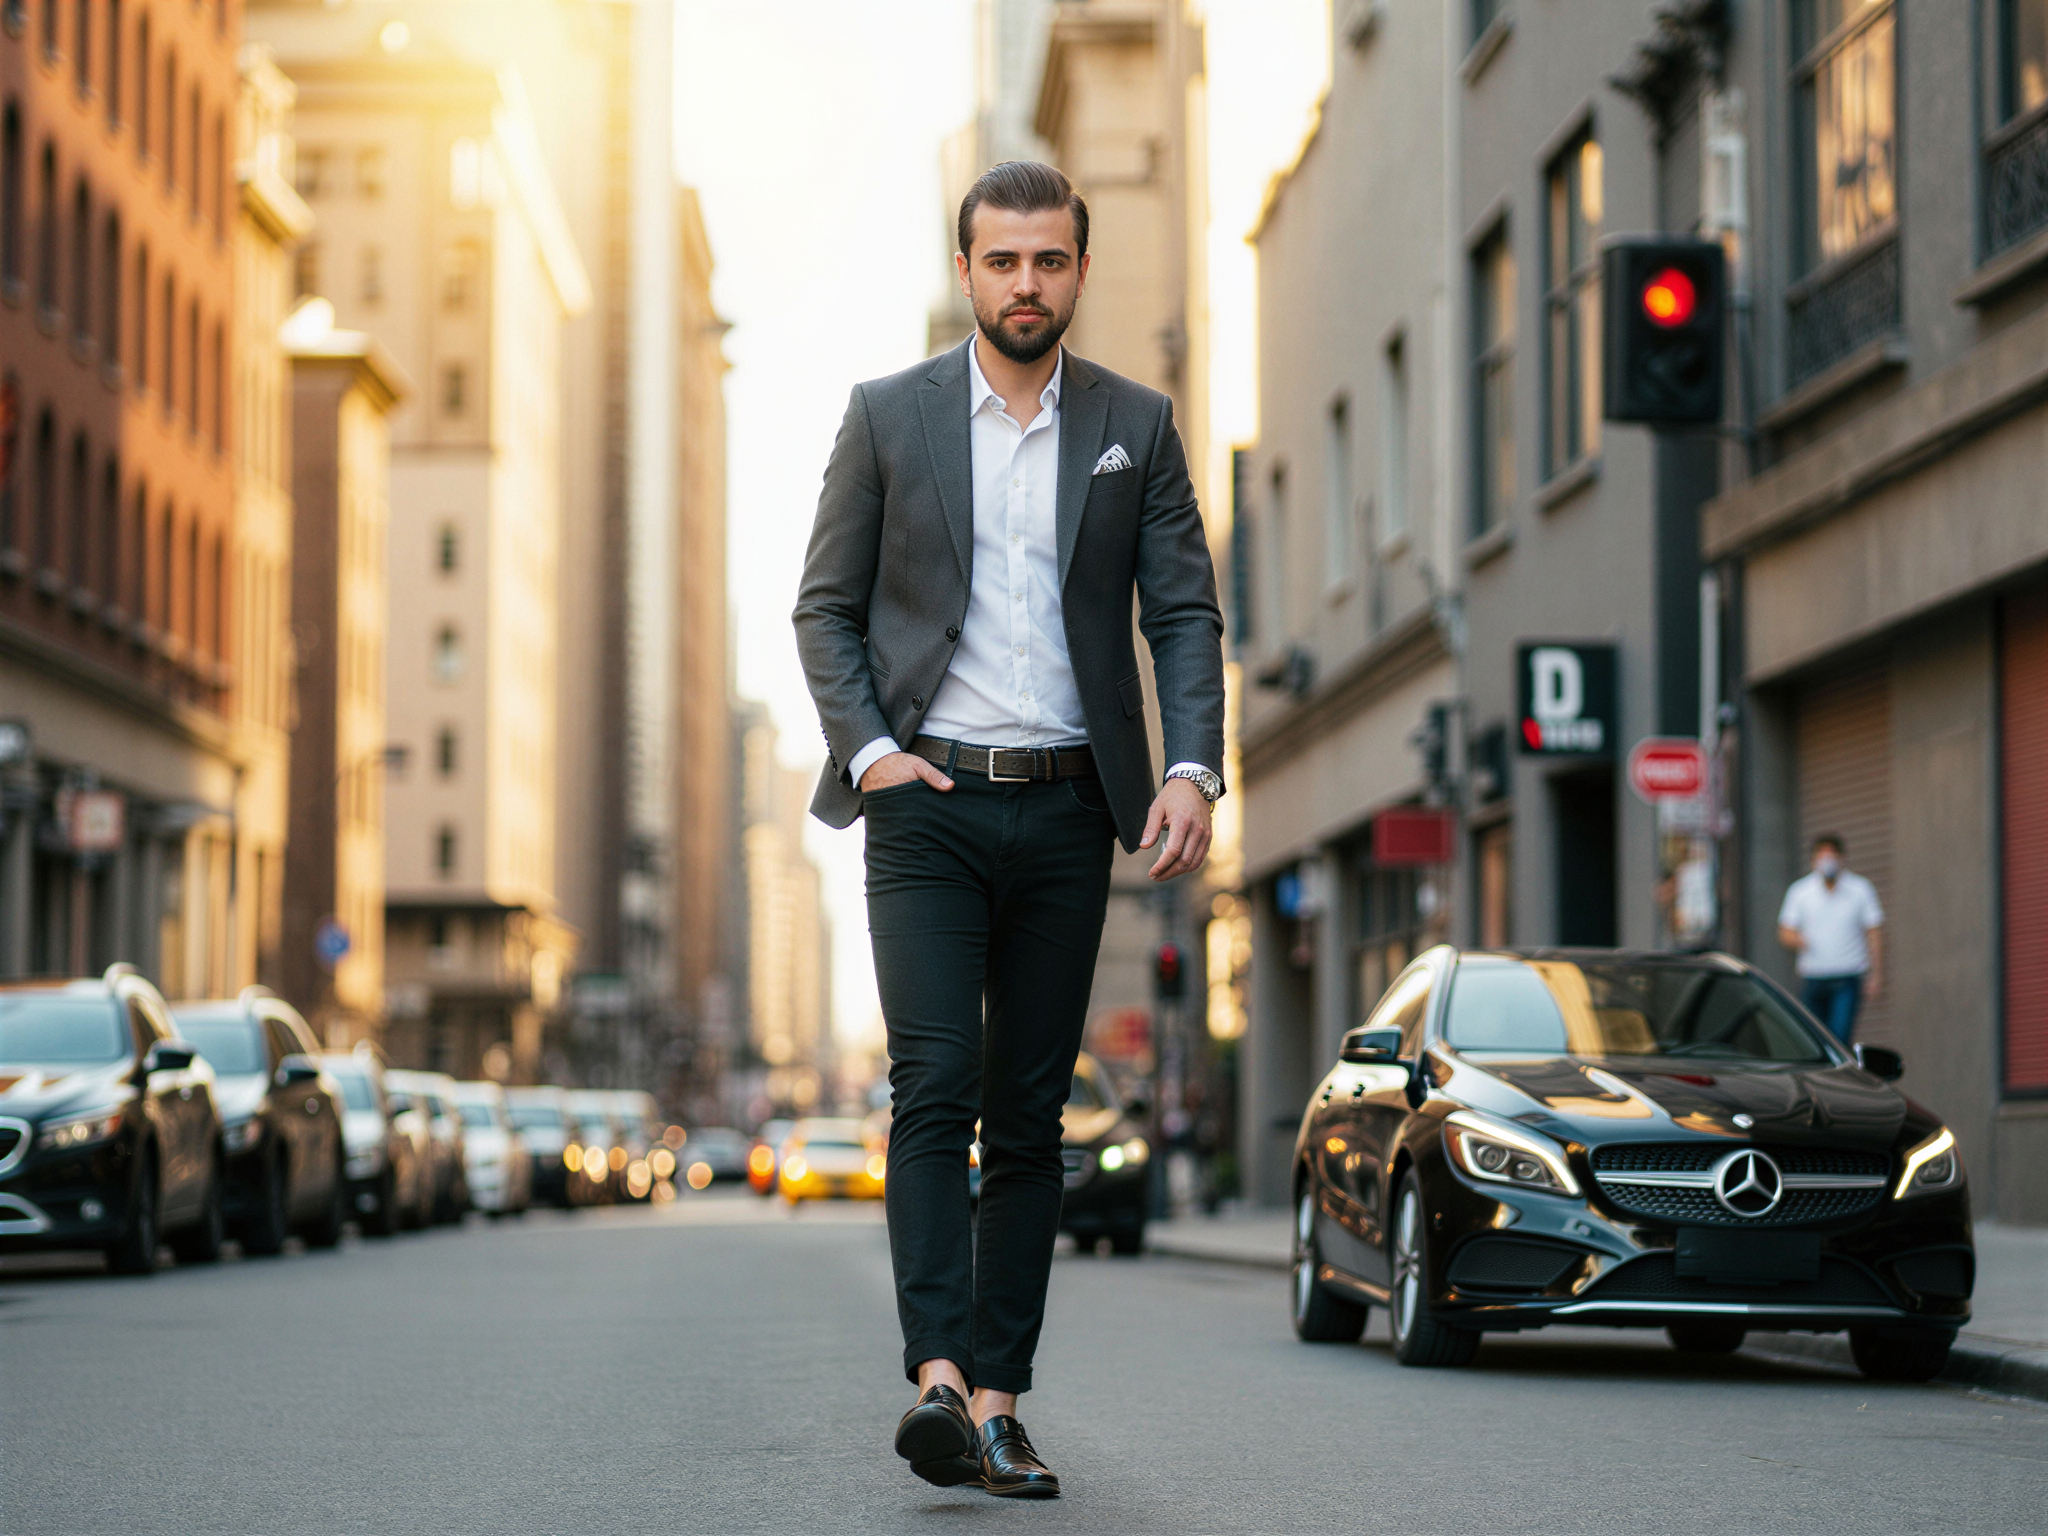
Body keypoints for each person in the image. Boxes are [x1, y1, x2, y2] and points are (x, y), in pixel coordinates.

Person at [793, 161, 1225, 1500]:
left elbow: (1184, 613)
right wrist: (871, 757)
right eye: (1002, 262)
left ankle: (997, 1401)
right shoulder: (888, 418)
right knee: (936, 1086)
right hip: (922, 802)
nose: (1026, 283)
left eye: (1049, 261)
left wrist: (1193, 769)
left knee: (1029, 1119)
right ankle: (934, 1376)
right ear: (967, 270)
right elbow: (827, 608)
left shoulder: (1135, 427)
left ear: (1079, 271)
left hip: (1064, 806)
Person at [1777, 833, 1886, 1044]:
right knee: (1813, 1041)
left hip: (1848, 976)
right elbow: (1784, 932)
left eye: (1832, 856)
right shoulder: (1800, 892)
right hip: (1813, 976)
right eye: (1822, 856)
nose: (1827, 862)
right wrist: (1799, 940)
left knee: (1839, 1038)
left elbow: (1874, 931)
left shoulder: (1860, 889)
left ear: (1842, 858)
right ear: (1813, 861)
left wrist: (1877, 974)